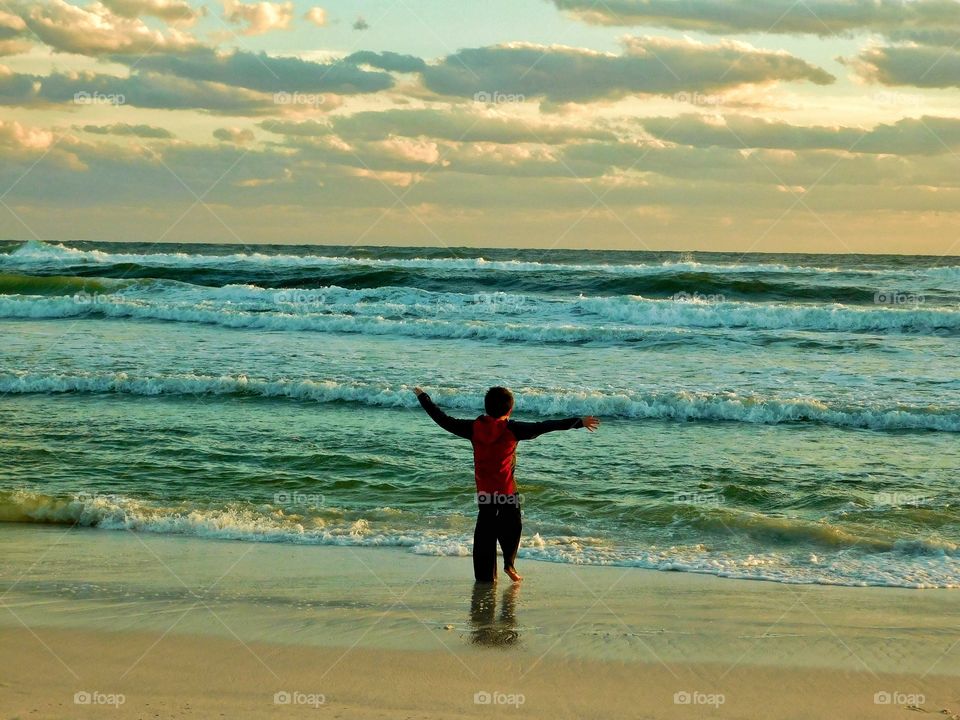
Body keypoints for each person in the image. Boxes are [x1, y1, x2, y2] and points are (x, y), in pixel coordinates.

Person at [413, 385, 599, 583]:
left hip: (485, 494)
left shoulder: (473, 428)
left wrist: (423, 397)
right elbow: (545, 425)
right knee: (512, 528)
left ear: (486, 408)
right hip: (507, 493)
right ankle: (509, 563)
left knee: (485, 534)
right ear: (510, 410)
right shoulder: (513, 429)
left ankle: (485, 578)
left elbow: (443, 419)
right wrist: (578, 422)